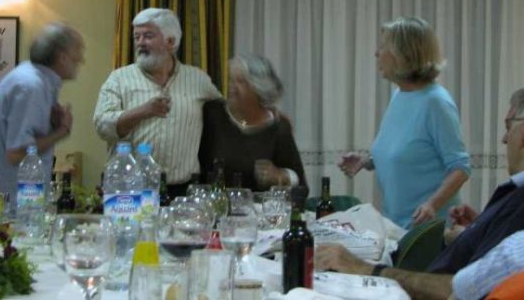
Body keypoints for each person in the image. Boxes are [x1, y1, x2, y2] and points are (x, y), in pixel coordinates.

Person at [316, 88, 524, 300]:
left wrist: (364, 268)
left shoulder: (436, 102)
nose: (504, 139)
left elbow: (456, 291)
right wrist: (476, 230)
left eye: (509, 126)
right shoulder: (400, 97)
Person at [338, 16, 470, 228]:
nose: (376, 53)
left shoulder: (436, 103)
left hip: (429, 231)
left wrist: (432, 205)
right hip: (397, 225)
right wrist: (367, 160)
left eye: (383, 47)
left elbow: (461, 168)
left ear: (404, 55)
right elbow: (408, 151)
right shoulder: (400, 95)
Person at [93, 8, 221, 197]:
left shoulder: (198, 80)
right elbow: (102, 125)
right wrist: (143, 111)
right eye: (136, 37)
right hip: (129, 191)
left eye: (148, 36)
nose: (140, 43)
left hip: (182, 191)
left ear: (171, 42)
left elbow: (224, 115)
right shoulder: (119, 79)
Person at [0, 22, 84, 205]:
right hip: (7, 204)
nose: (81, 60)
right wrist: (62, 131)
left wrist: (52, 126)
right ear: (62, 57)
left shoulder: (34, 80)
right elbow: (17, 153)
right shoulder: (31, 86)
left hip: (12, 198)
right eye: (77, 52)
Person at [198, 53, 307, 191]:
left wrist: (280, 176)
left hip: (255, 204)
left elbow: (299, 182)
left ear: (259, 88)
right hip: (213, 202)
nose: (232, 87)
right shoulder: (212, 114)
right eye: (231, 80)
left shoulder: (277, 127)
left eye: (241, 82)